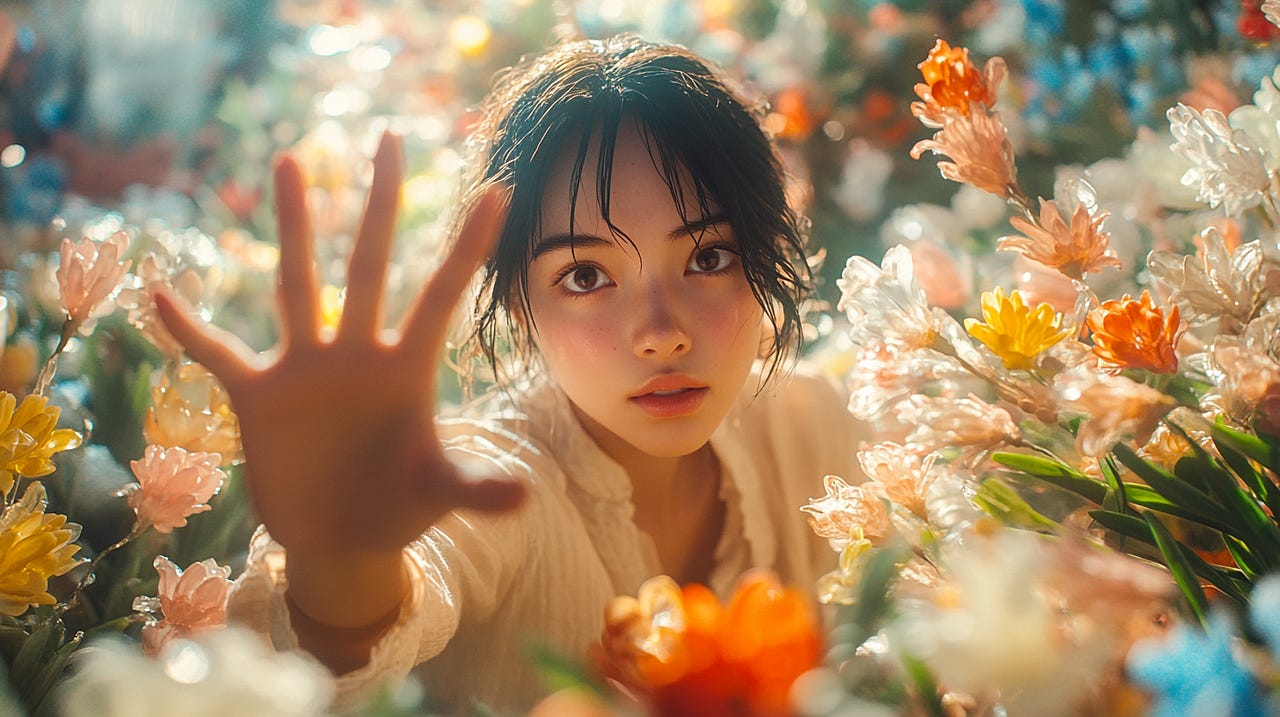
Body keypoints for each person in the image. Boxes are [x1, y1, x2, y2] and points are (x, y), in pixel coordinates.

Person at [155, 33, 865, 712]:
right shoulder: (500, 483)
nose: (661, 335)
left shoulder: (811, 428)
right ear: (518, 306)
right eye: (586, 274)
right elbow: (402, 592)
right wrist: (343, 560)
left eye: (708, 258)